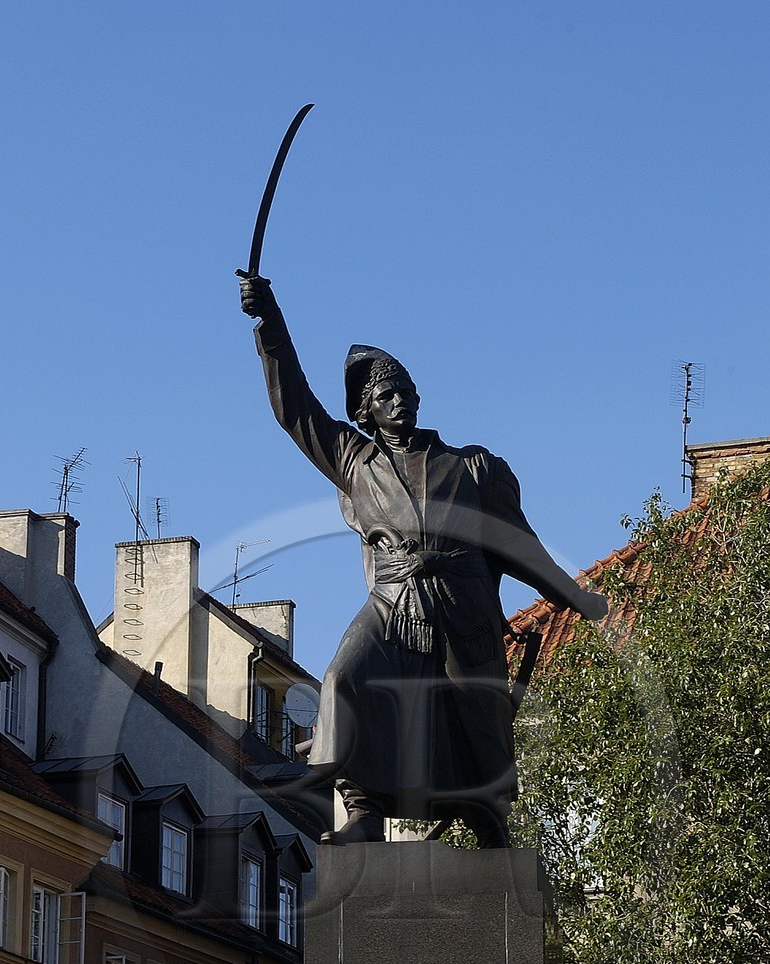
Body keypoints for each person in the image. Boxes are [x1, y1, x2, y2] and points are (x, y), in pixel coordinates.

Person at [237, 273, 607, 848]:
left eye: (406, 390)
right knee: (345, 678)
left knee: (473, 719)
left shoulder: (474, 468)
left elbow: (521, 546)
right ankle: (363, 813)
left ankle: (486, 818)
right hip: (393, 599)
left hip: (463, 606)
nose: (399, 400)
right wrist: (271, 325)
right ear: (367, 410)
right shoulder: (353, 460)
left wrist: (578, 598)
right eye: (386, 395)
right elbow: (296, 409)